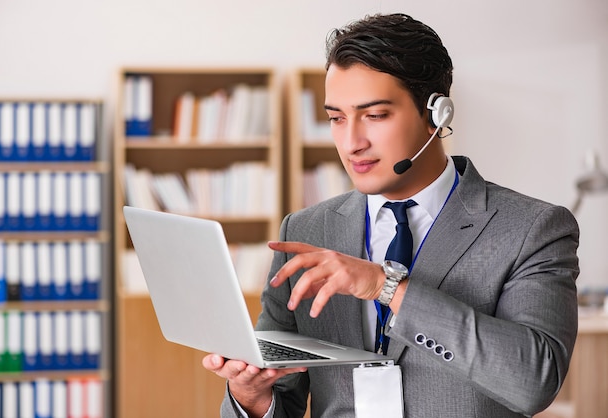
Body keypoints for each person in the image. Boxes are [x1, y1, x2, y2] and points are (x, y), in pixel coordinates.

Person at [203, 13, 579, 418]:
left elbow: (533, 382)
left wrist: (386, 287)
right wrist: (251, 398)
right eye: (336, 118)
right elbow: (284, 398)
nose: (351, 142)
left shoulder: (531, 228)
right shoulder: (307, 230)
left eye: (375, 115)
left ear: (438, 114)